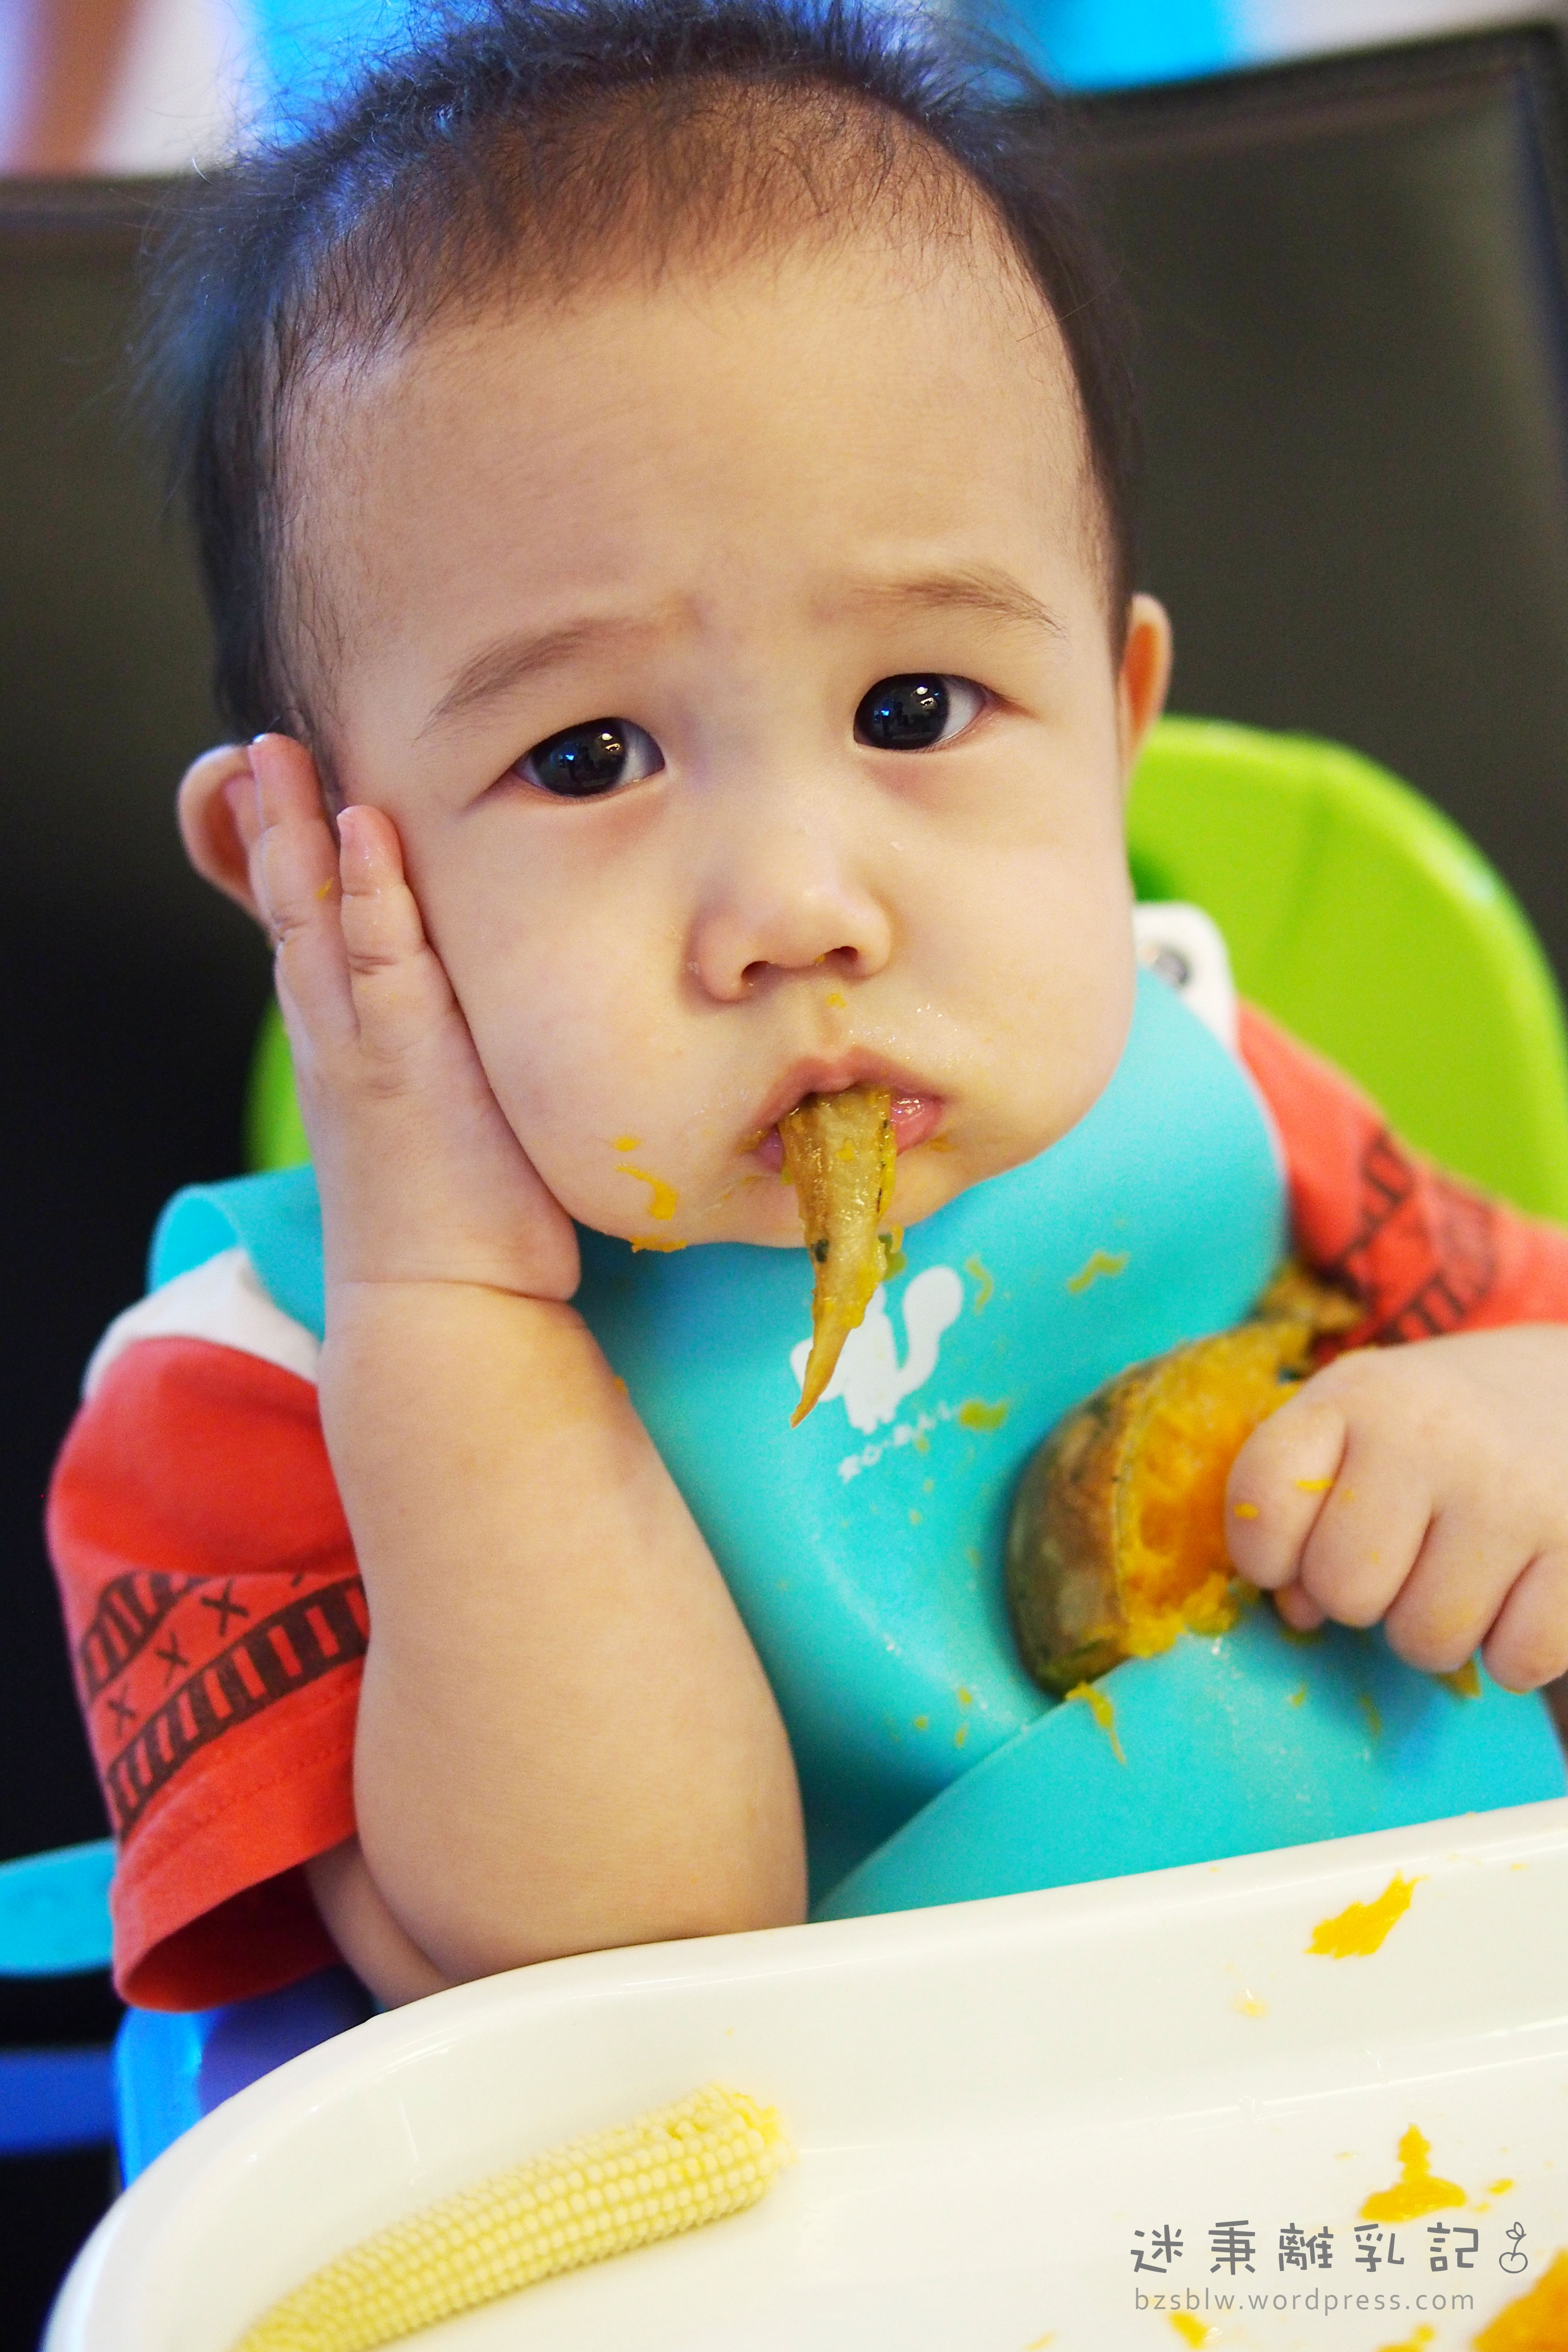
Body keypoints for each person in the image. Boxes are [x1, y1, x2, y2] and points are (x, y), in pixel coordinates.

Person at [47, 0, 1568, 2016]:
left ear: (1116, 730)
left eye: (914, 708)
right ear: (306, 872)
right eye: (587, 758)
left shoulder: (1216, 1089)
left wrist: (1512, 1428)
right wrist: (451, 1308)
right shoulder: (255, 1391)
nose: (798, 909)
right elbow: (632, 1963)